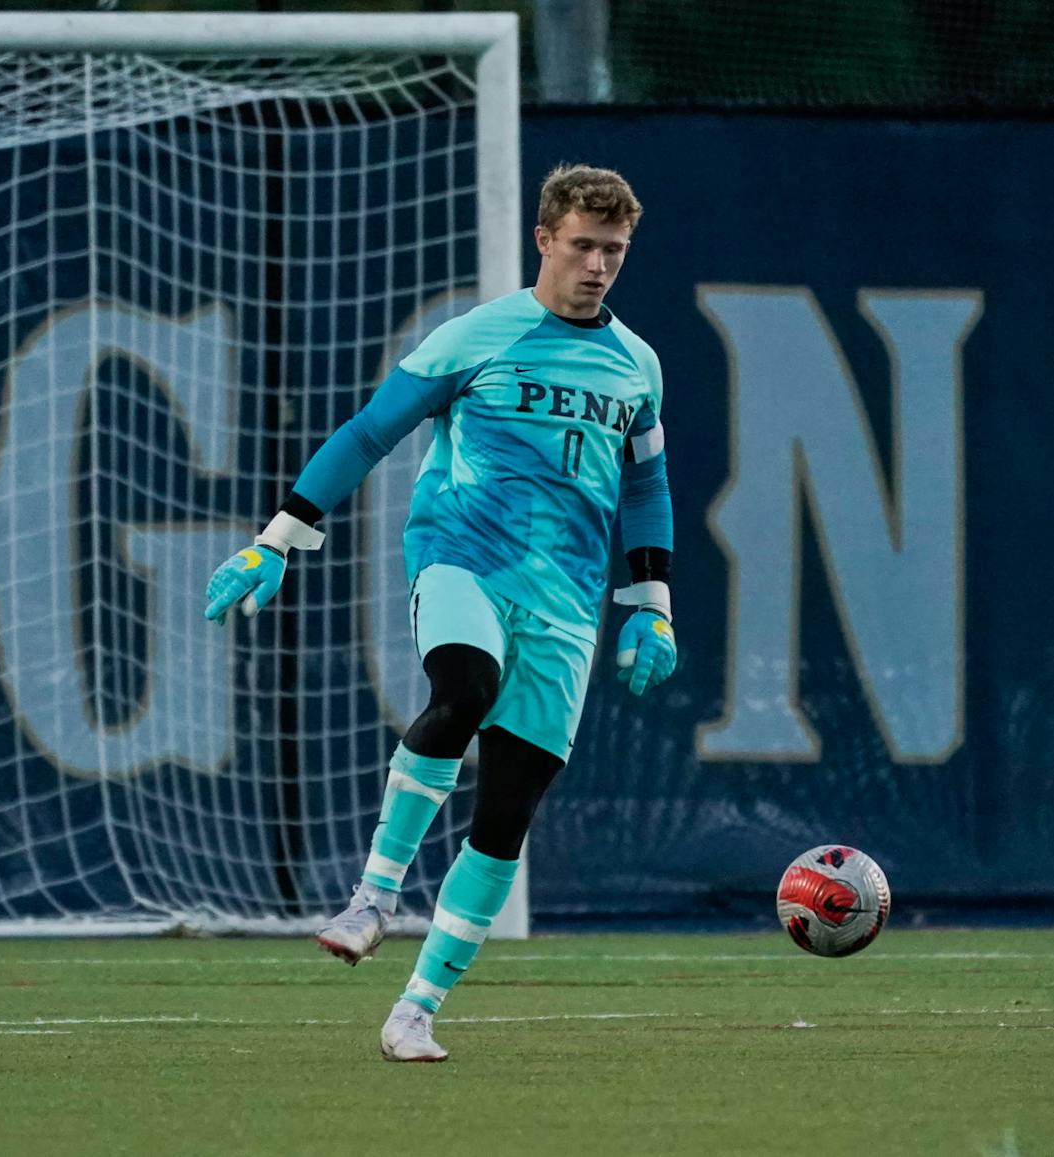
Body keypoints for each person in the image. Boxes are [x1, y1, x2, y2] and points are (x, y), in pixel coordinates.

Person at [203, 163, 676, 1062]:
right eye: (582, 246)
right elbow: (369, 432)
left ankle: (415, 1010)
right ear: (544, 239)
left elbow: (648, 484)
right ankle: (374, 896)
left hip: (568, 606)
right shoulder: (477, 335)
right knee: (463, 688)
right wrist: (275, 540)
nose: (598, 266)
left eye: (613, 251)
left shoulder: (638, 366)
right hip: (465, 560)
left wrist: (651, 604)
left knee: (506, 816)